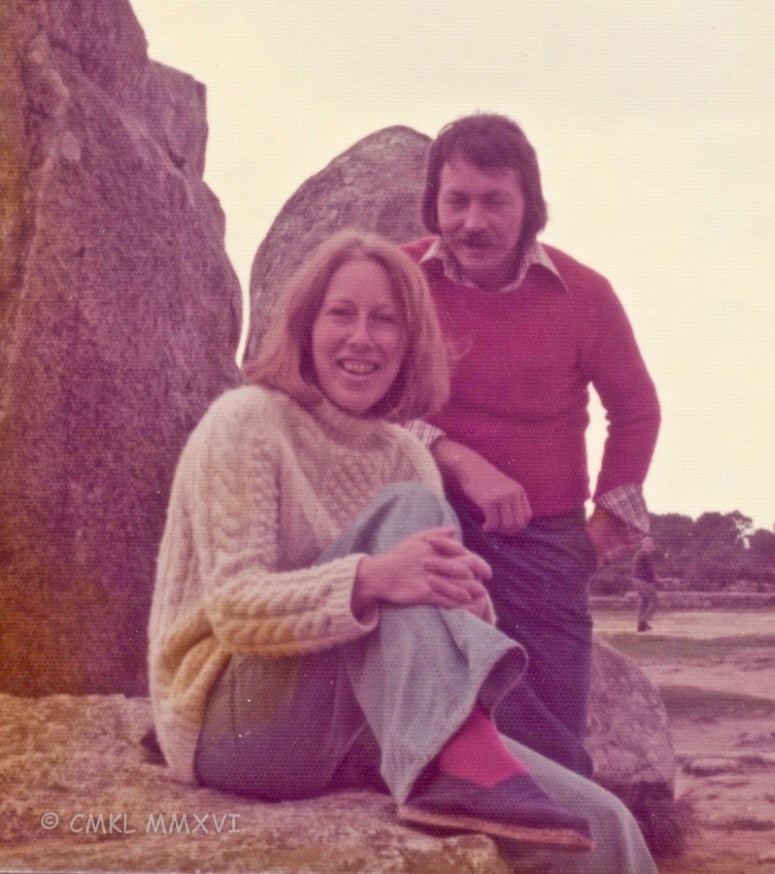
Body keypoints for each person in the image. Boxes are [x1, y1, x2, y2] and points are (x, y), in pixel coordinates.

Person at [148, 230, 657, 872]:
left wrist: (466, 610)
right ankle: (465, 760)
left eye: (385, 320)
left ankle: (461, 764)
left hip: (365, 721)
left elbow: (417, 620)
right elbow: (233, 611)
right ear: (306, 327)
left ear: (411, 341)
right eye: (341, 314)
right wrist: (372, 579)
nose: (362, 338)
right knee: (409, 512)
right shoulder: (246, 422)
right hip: (233, 724)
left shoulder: (408, 453)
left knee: (601, 823)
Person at [403, 114, 661, 778]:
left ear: (530, 205)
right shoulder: (399, 279)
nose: (473, 222)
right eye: (457, 200)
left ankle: (567, 818)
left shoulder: (585, 294)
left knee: (552, 733)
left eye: (495, 200)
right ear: (433, 202)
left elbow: (636, 411)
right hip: (429, 522)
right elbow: (354, 396)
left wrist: (598, 535)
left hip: (545, 539)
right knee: (445, 707)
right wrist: (455, 457)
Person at [631, 537, 660, 632]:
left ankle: (641, 626)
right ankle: (643, 621)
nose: (653, 544)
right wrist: (656, 577)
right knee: (655, 601)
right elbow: (649, 569)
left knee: (643, 602)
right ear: (646, 544)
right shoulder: (644, 554)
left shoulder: (641, 553)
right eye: (652, 542)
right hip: (642, 580)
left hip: (637, 580)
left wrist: (654, 576)